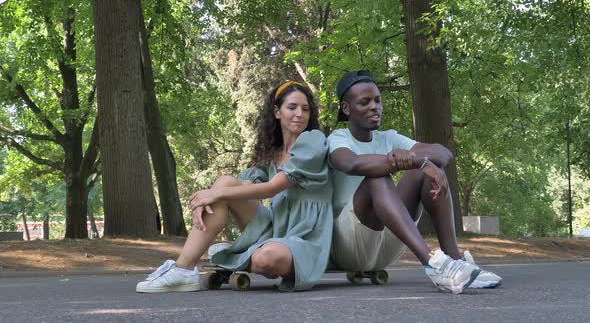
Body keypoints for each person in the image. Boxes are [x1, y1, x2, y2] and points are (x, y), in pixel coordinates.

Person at [136, 81, 333, 292]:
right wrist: (215, 194)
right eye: (292, 107)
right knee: (225, 182)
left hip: (304, 234)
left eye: (305, 109)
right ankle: (183, 269)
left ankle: (236, 253)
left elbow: (273, 188)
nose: (300, 114)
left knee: (266, 259)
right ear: (277, 112)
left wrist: (213, 195)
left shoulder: (313, 141)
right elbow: (244, 185)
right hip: (275, 228)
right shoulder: (273, 150)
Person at [327, 70, 502, 294]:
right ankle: (433, 264)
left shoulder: (388, 137)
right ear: (346, 108)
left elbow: (442, 153)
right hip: (350, 246)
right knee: (377, 176)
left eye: (378, 100)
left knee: (426, 171)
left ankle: (455, 261)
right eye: (365, 102)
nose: (375, 106)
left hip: (387, 245)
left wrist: (422, 163)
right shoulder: (338, 139)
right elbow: (351, 164)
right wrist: (405, 161)